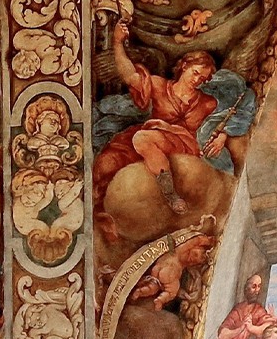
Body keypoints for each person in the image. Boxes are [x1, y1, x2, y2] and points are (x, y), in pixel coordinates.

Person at [96, 21, 224, 215]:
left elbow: (232, 115)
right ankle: (98, 210)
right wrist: (117, 42)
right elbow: (130, 75)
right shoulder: (158, 86)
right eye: (195, 73)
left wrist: (223, 136)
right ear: (185, 66)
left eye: (202, 79)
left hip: (182, 142)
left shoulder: (208, 102)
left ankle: (170, 194)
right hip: (154, 134)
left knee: (143, 138)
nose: (197, 80)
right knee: (105, 162)